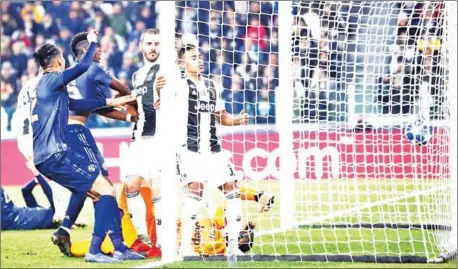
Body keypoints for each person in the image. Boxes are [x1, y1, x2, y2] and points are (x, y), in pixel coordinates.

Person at [30, 30, 143, 263]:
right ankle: (97, 250)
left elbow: (78, 103)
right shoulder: (52, 79)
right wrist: (92, 42)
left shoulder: (49, 88)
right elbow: (81, 68)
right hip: (55, 154)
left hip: (49, 155)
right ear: (59, 61)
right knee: (106, 190)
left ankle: (116, 247)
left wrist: (111, 101)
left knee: (99, 191)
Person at [173, 43, 250, 257]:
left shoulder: (212, 86)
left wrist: (237, 120)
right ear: (182, 63)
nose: (199, 60)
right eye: (193, 57)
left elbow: (221, 117)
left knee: (232, 187)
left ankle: (232, 245)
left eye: (199, 56)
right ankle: (185, 248)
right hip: (190, 149)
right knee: (194, 190)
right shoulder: (178, 86)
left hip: (214, 149)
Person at [69, 186, 274, 257]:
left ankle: (70, 247)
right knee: (134, 189)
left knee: (110, 237)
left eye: (240, 237)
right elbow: (231, 199)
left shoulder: (218, 248)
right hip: (156, 225)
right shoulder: (217, 223)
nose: (236, 232)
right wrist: (257, 196)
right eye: (240, 230)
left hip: (149, 244)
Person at [121, 28, 164, 253]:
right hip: (139, 138)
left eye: (156, 43)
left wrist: (165, 100)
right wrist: (128, 107)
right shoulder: (137, 75)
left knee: (158, 187)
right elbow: (139, 104)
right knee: (131, 183)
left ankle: (161, 241)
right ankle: (142, 236)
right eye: (149, 43)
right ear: (141, 46)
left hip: (161, 137)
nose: (153, 47)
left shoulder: (168, 71)